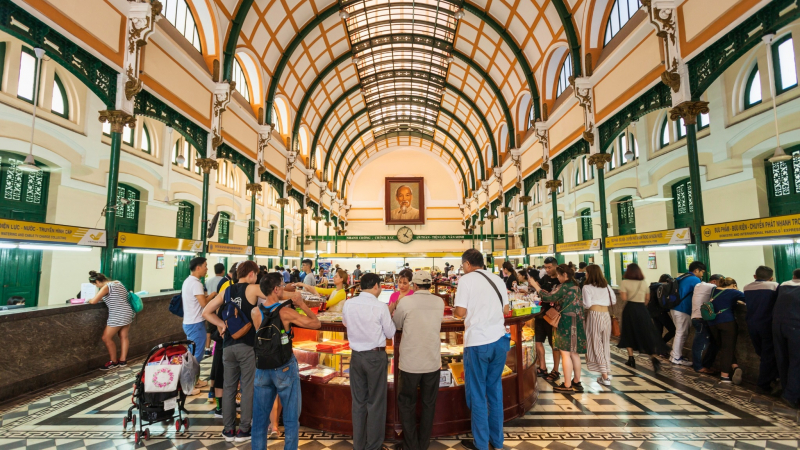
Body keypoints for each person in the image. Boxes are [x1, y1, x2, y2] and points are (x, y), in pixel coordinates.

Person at [251, 272, 321, 450]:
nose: (284, 289)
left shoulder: (255, 312)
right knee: (290, 420)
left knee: (259, 420)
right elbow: (316, 324)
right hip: (283, 368)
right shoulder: (286, 312)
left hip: (262, 369)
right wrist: (302, 304)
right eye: (281, 286)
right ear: (275, 289)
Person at [202, 261, 268, 443]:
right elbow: (275, 295)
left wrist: (222, 325)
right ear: (252, 274)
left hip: (228, 346)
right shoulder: (253, 289)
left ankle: (228, 429)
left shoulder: (227, 291)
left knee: (229, 388)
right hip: (247, 346)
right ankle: (244, 430)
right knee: (247, 388)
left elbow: (206, 312)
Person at [453, 249, 510, 450]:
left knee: (477, 394)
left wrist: (455, 311)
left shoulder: (466, 280)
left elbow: (460, 312)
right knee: (494, 392)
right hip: (500, 341)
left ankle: (481, 444)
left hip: (478, 343)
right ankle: (498, 442)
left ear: (467, 264)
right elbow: (505, 310)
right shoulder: (498, 280)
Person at [342, 273, 395, 450]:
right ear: (376, 286)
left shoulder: (349, 304)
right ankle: (373, 446)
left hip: (356, 356)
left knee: (358, 402)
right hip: (375, 357)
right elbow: (390, 333)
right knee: (376, 402)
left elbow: (345, 323)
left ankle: (359, 445)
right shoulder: (380, 307)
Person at [392, 270, 443, 450]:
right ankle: (423, 444)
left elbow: (396, 324)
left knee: (407, 403)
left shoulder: (406, 302)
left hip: (410, 362)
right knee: (429, 404)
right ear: (430, 284)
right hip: (432, 361)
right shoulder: (439, 301)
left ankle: (410, 445)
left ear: (414, 285)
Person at [529, 264, 587, 392]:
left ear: (564, 275)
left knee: (565, 353)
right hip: (578, 321)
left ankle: (567, 385)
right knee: (574, 353)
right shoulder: (576, 286)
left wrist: (536, 286)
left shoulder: (564, 287)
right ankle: (577, 381)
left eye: (560, 275)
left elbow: (549, 297)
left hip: (566, 322)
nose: (559, 278)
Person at [617, 263, 665, 372]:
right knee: (646, 333)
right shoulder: (644, 283)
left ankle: (631, 358)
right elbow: (647, 298)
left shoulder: (625, 282)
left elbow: (624, 297)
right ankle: (653, 358)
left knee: (629, 332)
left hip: (630, 309)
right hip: (642, 309)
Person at [86, 271, 134, 370]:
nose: (96, 287)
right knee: (123, 336)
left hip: (118, 314)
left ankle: (113, 361)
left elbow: (94, 301)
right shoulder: (117, 283)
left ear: (98, 281)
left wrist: (89, 300)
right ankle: (123, 360)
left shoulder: (106, 287)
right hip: (128, 312)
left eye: (95, 284)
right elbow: (116, 298)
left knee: (106, 338)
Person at [743, 265, 780, 394]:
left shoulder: (746, 287)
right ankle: (764, 383)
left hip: (751, 324)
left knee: (761, 353)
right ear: (771, 278)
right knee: (768, 354)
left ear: (755, 276)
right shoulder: (774, 286)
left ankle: (772, 377)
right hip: (767, 324)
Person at [526, 256, 561, 381]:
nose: (547, 270)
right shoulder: (545, 278)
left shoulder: (560, 280)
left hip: (552, 317)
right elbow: (537, 292)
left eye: (549, 267)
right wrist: (531, 287)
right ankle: (543, 367)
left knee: (554, 345)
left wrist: (537, 287)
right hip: (540, 315)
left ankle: (556, 370)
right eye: (545, 267)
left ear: (556, 266)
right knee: (538, 341)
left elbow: (550, 296)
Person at [580, 265, 615, 386]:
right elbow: (613, 301)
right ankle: (605, 373)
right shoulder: (607, 286)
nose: (585, 275)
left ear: (590, 274)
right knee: (605, 344)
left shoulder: (586, 287)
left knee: (595, 344)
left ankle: (605, 376)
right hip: (606, 315)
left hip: (594, 315)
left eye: (586, 273)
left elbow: (587, 304)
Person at [707, 277, 745, 384]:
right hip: (727, 322)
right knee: (728, 348)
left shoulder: (714, 290)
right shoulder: (733, 292)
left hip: (712, 322)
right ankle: (724, 376)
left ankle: (735, 366)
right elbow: (748, 299)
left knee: (723, 347)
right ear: (733, 285)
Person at [182, 257, 217, 372]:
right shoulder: (196, 284)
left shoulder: (188, 281)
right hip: (195, 324)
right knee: (196, 354)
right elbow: (204, 304)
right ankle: (191, 383)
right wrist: (213, 295)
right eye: (205, 266)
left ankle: (193, 380)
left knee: (192, 353)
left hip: (190, 322)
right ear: (198, 267)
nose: (206, 269)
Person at [670, 261, 706, 366]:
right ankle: (676, 357)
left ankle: (674, 355)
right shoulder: (695, 279)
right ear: (696, 270)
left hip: (675, 307)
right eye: (702, 272)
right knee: (681, 333)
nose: (702, 274)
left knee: (679, 332)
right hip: (683, 308)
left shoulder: (683, 277)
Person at [773, 269, 800, 409]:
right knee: (797, 361)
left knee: (783, 359)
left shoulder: (783, 285)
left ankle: (785, 388)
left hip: (778, 326)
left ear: (794, 276)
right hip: (796, 326)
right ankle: (790, 395)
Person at [690, 273, 724, 373]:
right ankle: (698, 367)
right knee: (699, 345)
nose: (720, 285)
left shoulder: (699, 285)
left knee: (714, 342)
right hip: (701, 319)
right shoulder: (712, 286)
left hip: (697, 318)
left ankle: (706, 365)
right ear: (714, 281)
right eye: (720, 282)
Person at [649, 274, 676, 359]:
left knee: (658, 331)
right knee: (673, 330)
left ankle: (658, 349)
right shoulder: (661, 287)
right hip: (660, 312)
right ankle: (661, 347)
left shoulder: (652, 286)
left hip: (652, 312)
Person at [205, 263, 226, 356]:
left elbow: (205, 293)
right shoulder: (224, 281)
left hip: (210, 306)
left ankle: (207, 348)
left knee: (209, 329)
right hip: (219, 306)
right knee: (220, 327)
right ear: (223, 271)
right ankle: (217, 347)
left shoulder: (208, 280)